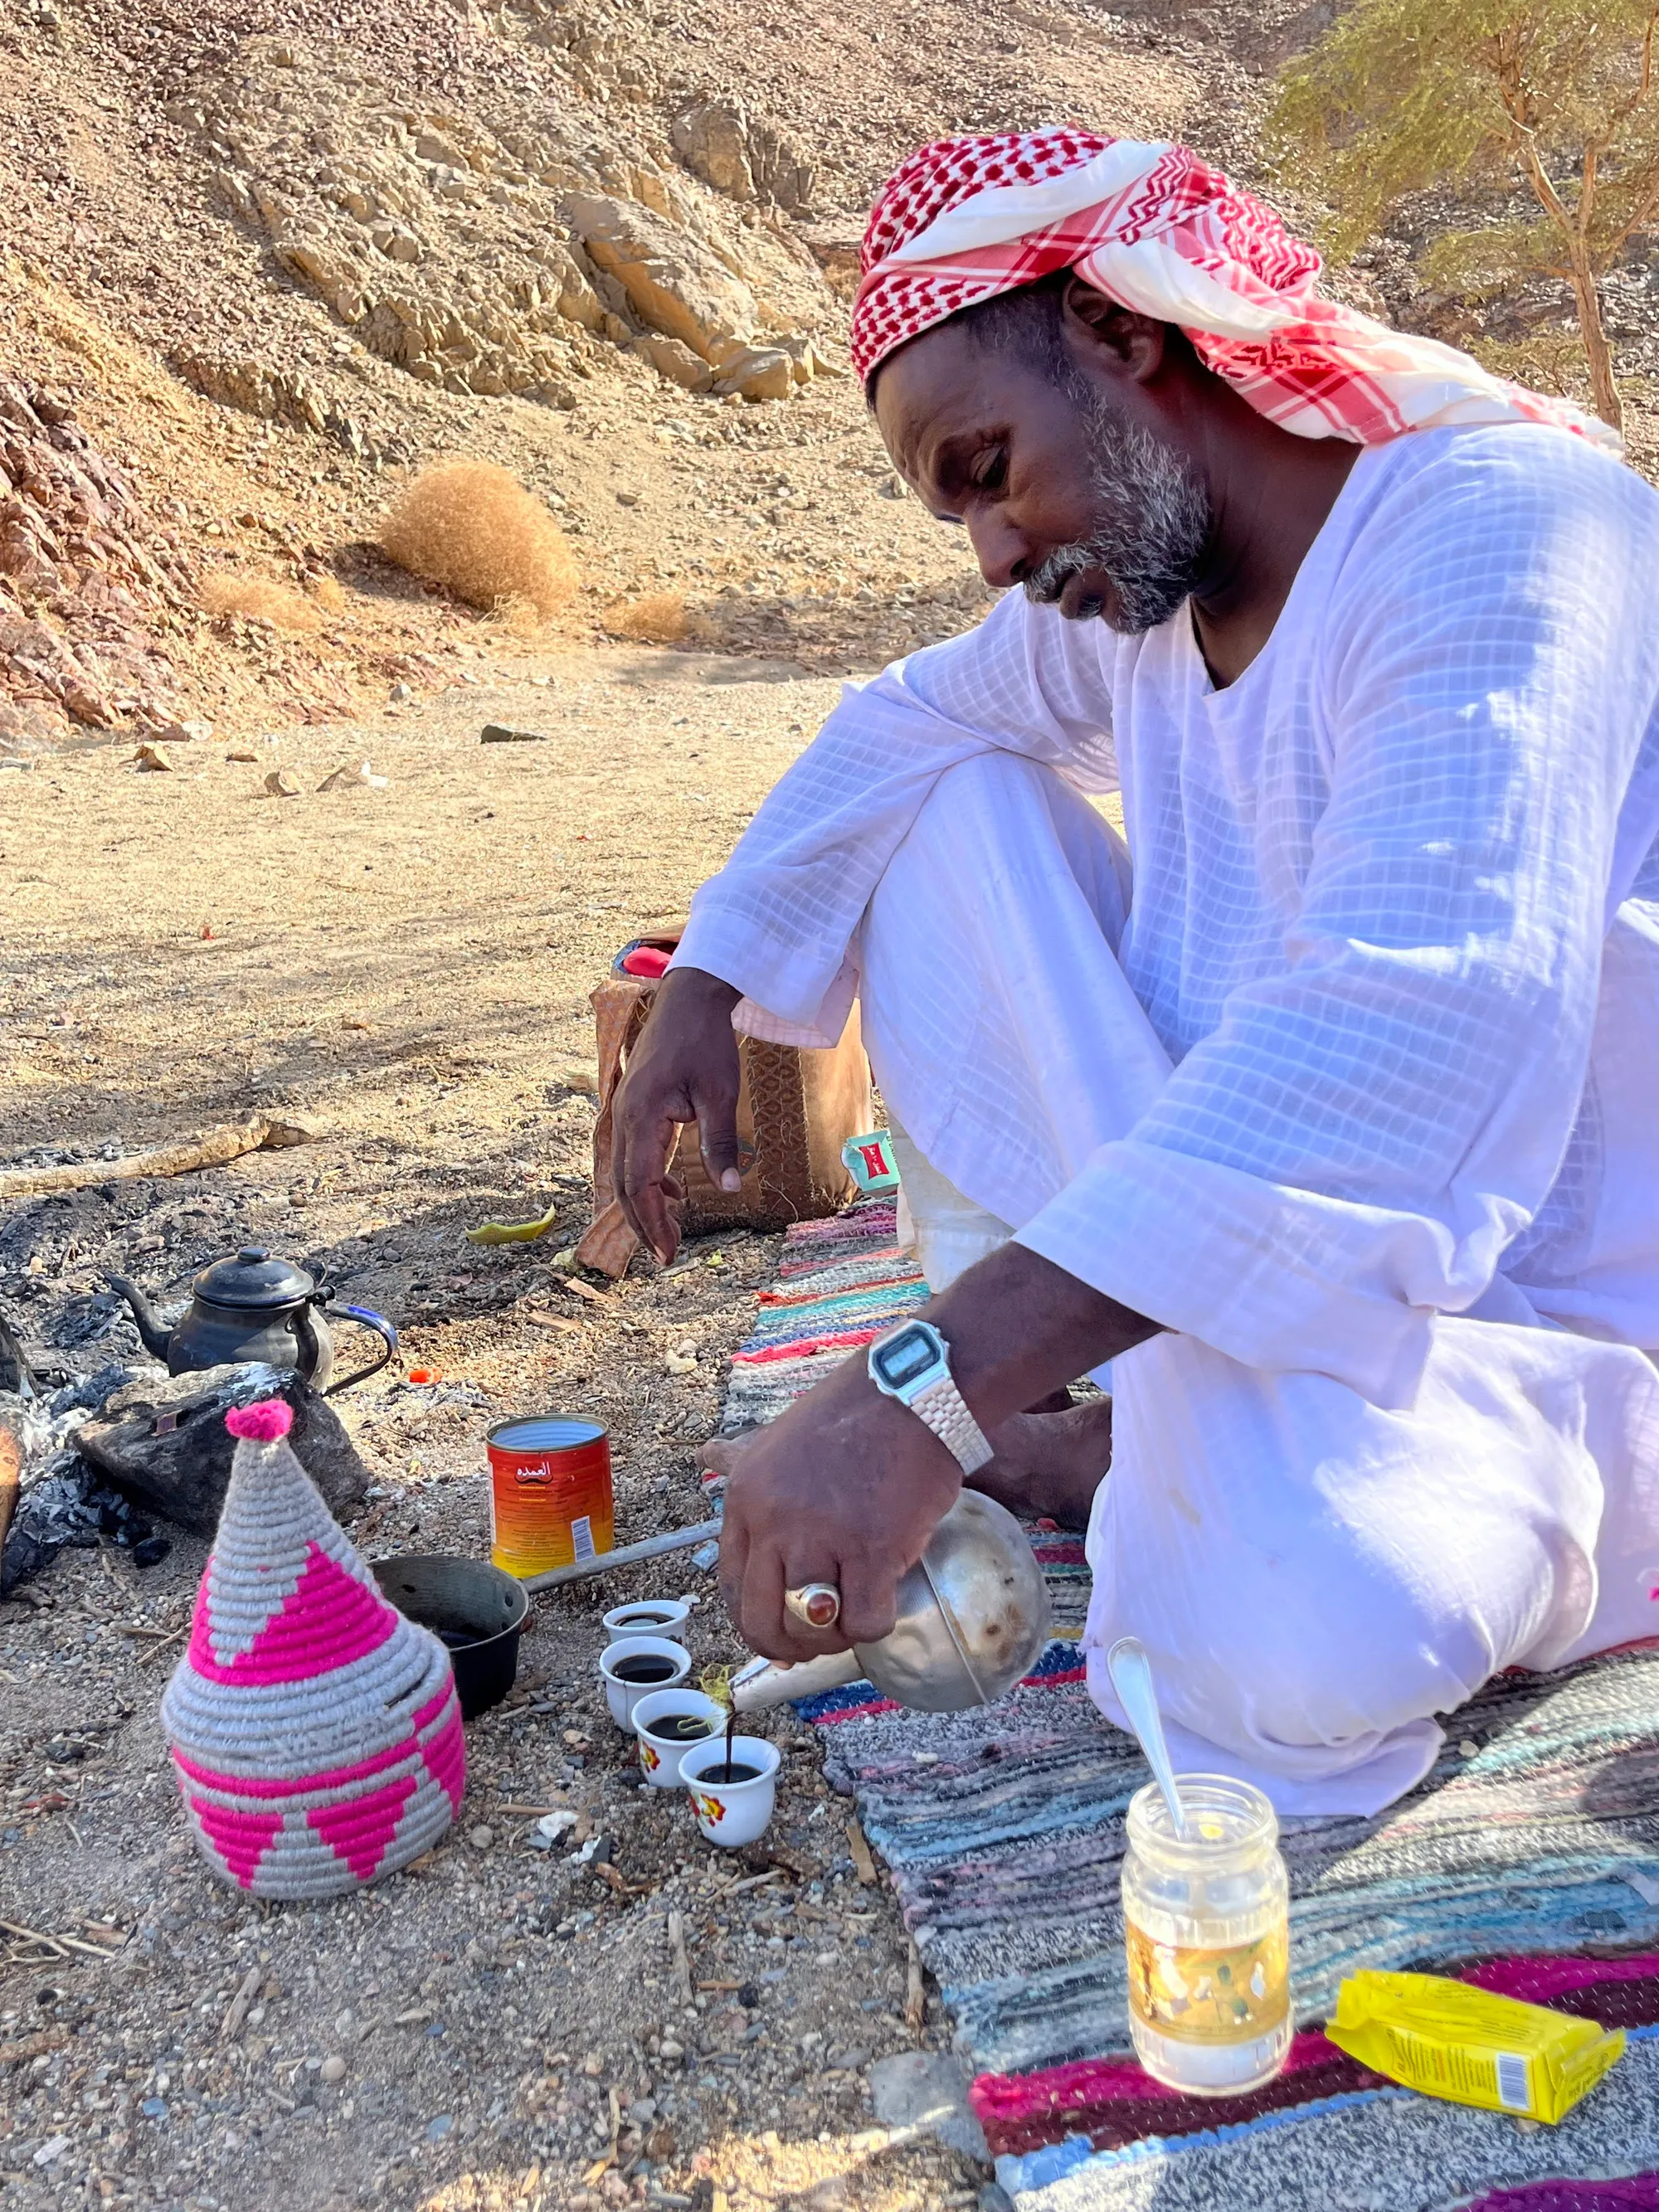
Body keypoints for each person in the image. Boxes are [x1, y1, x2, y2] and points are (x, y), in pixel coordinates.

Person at [610, 131, 1659, 1815]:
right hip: (1230, 1245)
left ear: (1125, 335)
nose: (993, 553)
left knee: (1290, 1649)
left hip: (1530, 1333)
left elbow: (1411, 1030)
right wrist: (706, 982)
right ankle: (1122, 1417)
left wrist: (913, 1386)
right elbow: (906, 717)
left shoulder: (1507, 536)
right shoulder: (1147, 605)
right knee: (940, 801)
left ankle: (1163, 1449)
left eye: (988, 466)